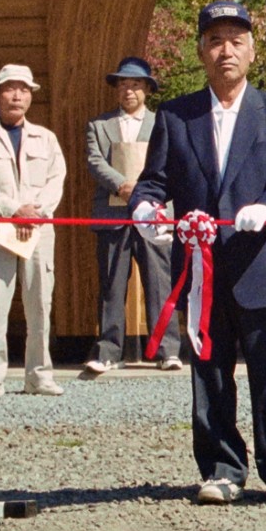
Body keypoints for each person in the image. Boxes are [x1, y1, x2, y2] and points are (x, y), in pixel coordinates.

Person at [131, 0, 266, 505]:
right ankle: (221, 469)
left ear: (252, 52)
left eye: (235, 41)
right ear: (200, 50)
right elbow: (154, 180)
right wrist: (145, 211)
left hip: (263, 260)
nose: (224, 51)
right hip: (201, 268)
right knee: (208, 372)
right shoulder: (176, 115)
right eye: (214, 41)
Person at [0, 65, 68, 399]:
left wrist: (36, 212)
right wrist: (13, 211)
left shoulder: (46, 138)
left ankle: (39, 375)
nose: (17, 95)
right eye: (9, 89)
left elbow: (56, 180)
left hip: (38, 228)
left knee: (40, 302)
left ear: (31, 96)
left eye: (24, 89)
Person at [84, 56, 178, 376]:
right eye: (123, 84)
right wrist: (122, 185)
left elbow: (170, 161)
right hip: (112, 211)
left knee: (159, 282)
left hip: (154, 213)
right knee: (111, 282)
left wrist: (146, 193)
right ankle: (108, 351)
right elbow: (95, 161)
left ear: (147, 90)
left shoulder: (164, 121)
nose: (129, 91)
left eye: (136, 85)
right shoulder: (98, 125)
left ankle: (167, 349)